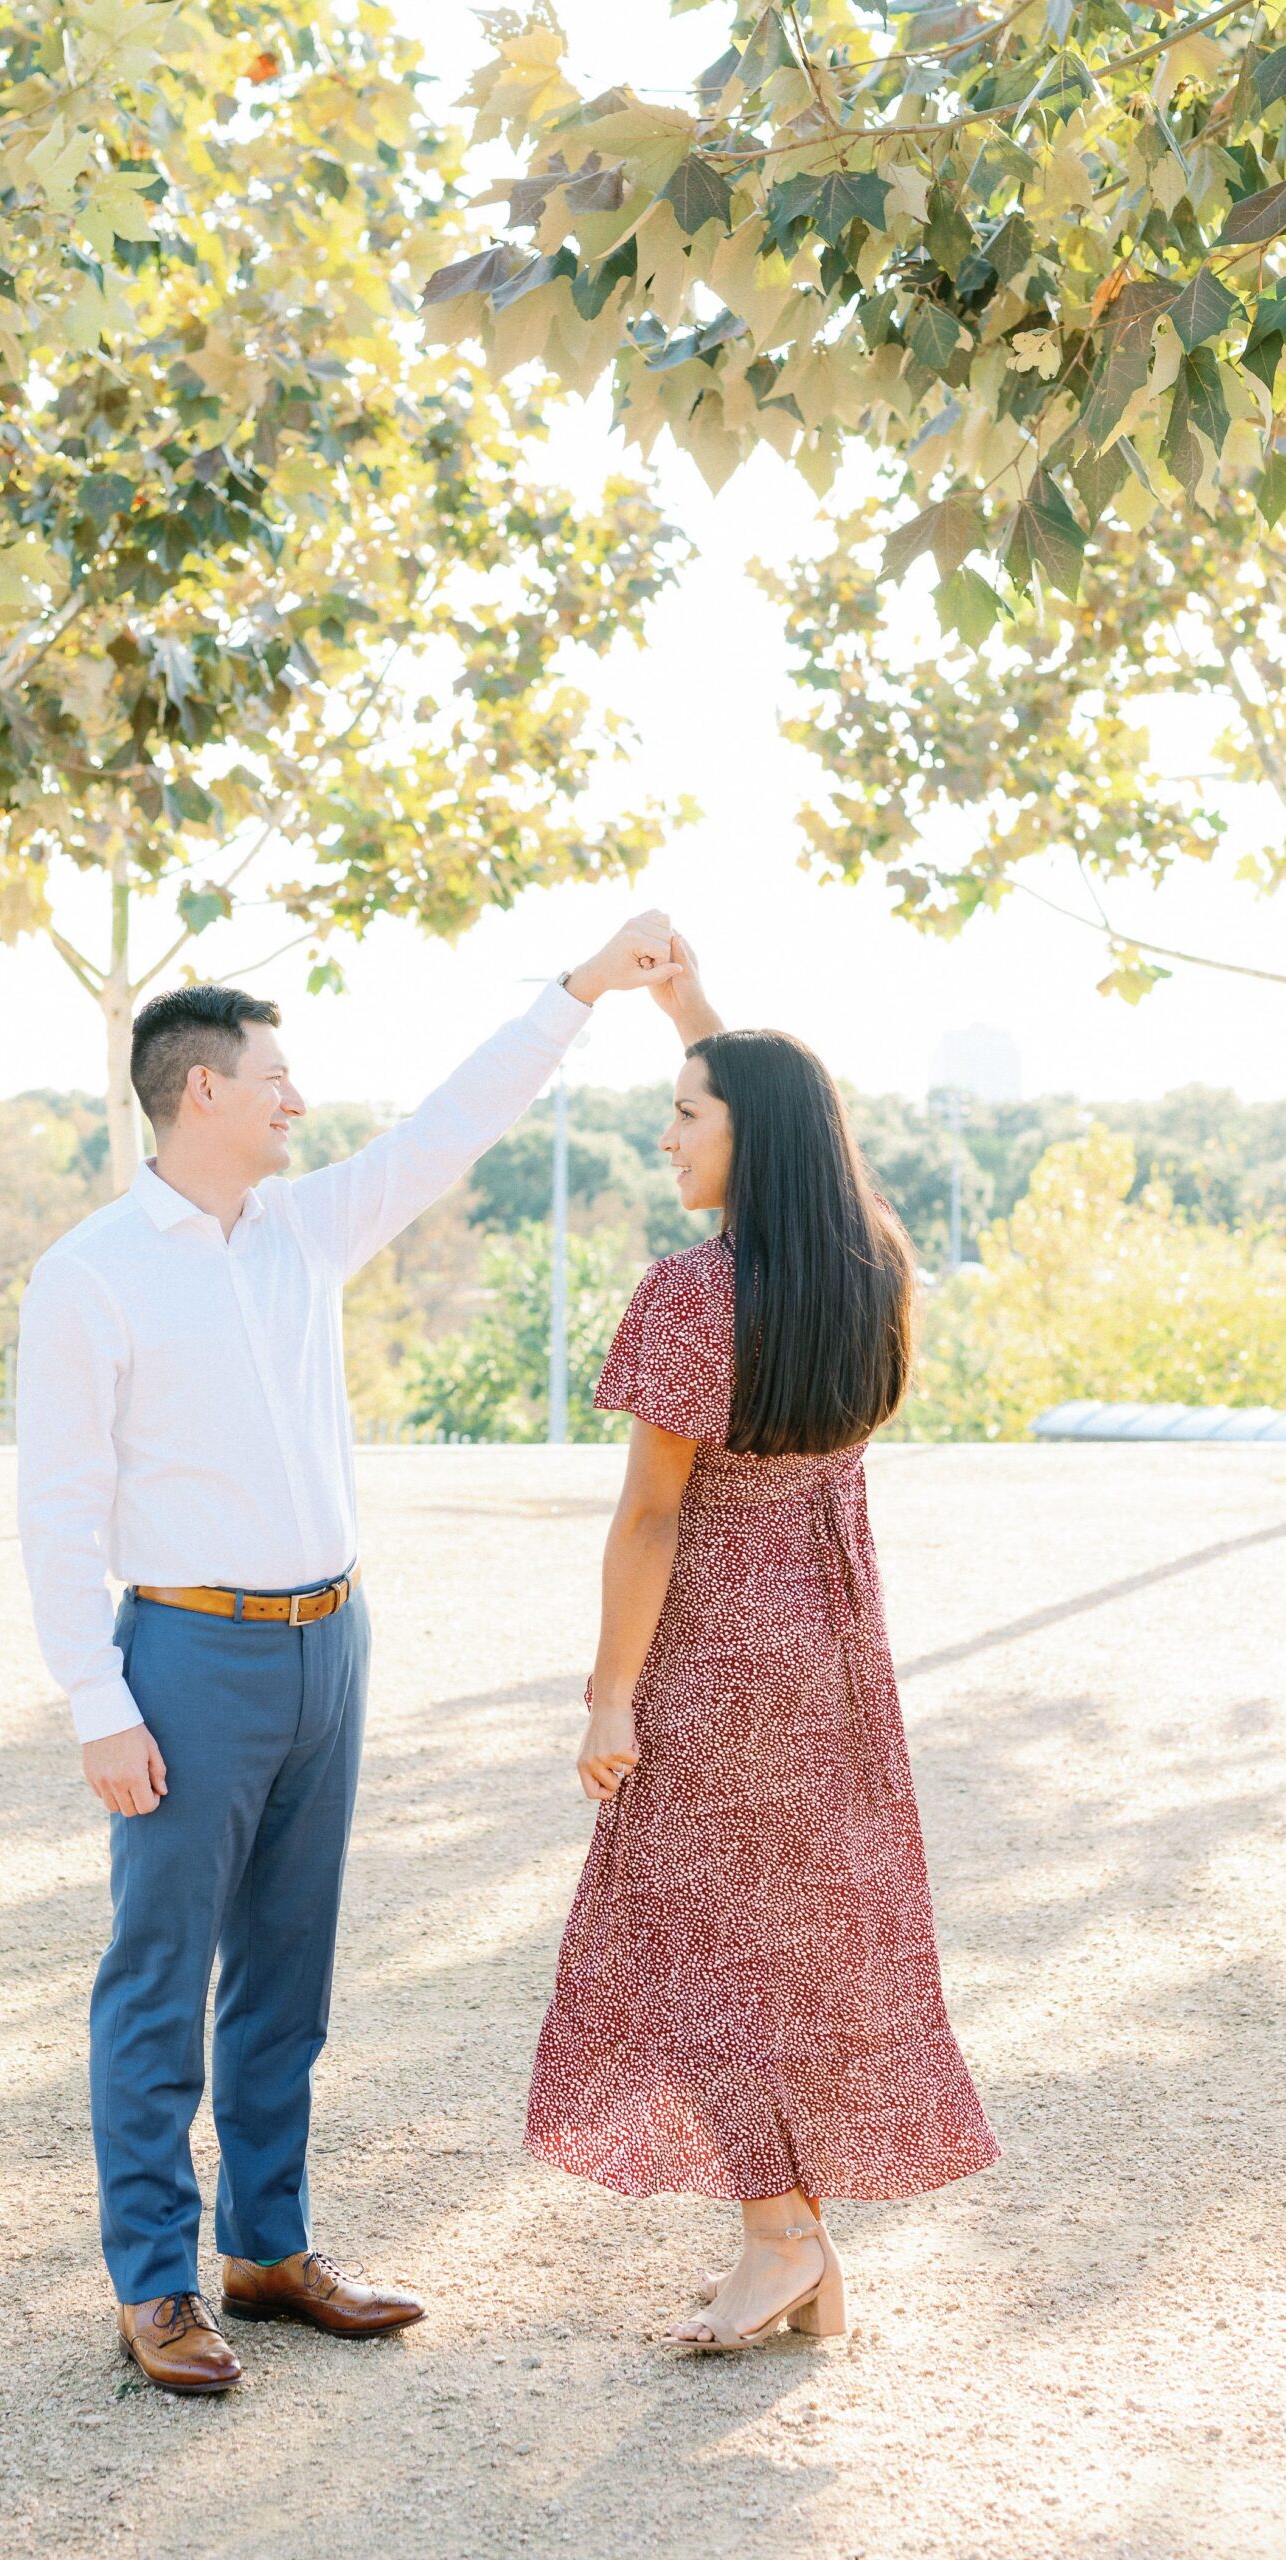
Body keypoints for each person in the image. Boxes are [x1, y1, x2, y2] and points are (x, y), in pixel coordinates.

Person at [16, 912, 683, 2394]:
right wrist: (96, 1699)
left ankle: (266, 2250)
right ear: (204, 1092)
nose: (297, 1101)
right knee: (157, 1980)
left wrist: (580, 989)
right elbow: (56, 1508)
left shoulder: (307, 1229)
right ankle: (156, 2285)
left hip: (334, 1640)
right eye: (275, 1077)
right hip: (184, 1655)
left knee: (288, 1976)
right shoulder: (92, 1272)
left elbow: (456, 1124)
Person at [524, 939, 1000, 2350]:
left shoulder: (692, 1294)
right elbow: (802, 1136)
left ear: (745, 1136)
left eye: (686, 1112)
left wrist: (611, 1700)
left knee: (698, 1946)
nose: (663, 1135)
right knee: (786, 1940)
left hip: (722, 1651)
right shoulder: (871, 1271)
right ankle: (804, 2253)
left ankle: (780, 2236)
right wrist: (696, 1022)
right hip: (835, 1646)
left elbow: (652, 1518)